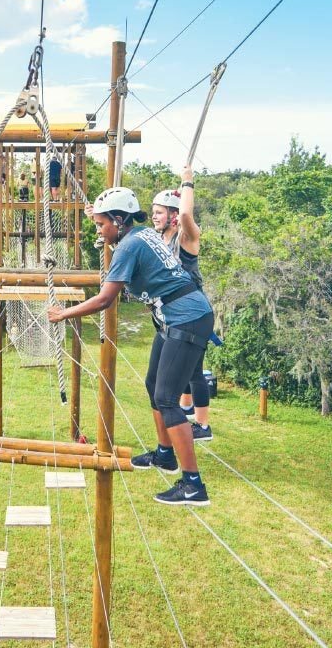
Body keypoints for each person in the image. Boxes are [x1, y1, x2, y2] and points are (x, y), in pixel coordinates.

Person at [48, 187, 214, 506]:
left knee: (167, 398)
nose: (99, 231)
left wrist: (64, 313)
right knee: (154, 386)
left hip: (187, 318)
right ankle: (165, 455)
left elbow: (105, 299)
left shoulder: (129, 245)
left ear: (119, 219)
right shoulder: (141, 235)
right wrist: (96, 213)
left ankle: (193, 484)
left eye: (101, 225)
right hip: (176, 316)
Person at [151, 165, 212, 442]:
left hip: (190, 316)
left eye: (160, 211)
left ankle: (201, 424)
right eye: (154, 210)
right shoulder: (158, 241)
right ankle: (185, 410)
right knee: (173, 377)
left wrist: (187, 183)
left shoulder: (185, 239)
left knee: (195, 372)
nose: (154, 215)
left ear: (173, 216)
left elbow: (187, 214)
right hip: (168, 318)